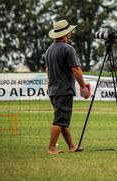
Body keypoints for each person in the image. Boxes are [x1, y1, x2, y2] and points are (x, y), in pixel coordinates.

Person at [45, 19, 90, 154]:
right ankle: (52, 148)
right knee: (60, 120)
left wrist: (52, 84)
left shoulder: (49, 50)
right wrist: (83, 87)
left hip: (53, 90)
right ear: (66, 33)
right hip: (64, 90)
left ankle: (72, 146)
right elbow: (76, 69)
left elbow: (47, 70)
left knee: (63, 118)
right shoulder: (68, 48)